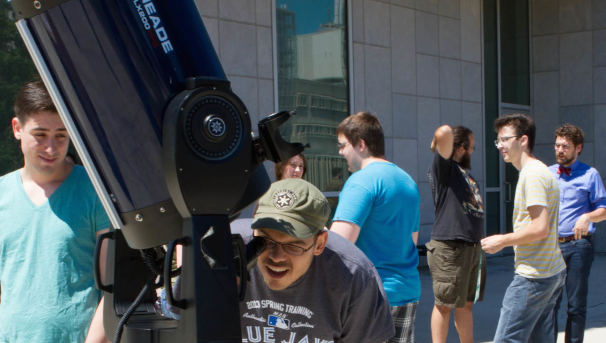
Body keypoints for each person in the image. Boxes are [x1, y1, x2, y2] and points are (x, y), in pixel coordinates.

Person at [161, 179, 395, 342]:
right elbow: (176, 326)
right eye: (266, 241)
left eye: (293, 245)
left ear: (320, 244)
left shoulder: (355, 275)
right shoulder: (219, 250)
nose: (276, 257)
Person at [0, 81, 110, 342]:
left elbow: (115, 291)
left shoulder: (97, 192)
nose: (52, 148)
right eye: (40, 135)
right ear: (17, 128)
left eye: (61, 135)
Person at [330, 111, 421, 343]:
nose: (340, 152)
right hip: (407, 291)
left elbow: (337, 247)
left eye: (342, 146)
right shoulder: (407, 181)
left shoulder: (361, 181)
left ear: (360, 144)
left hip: (370, 297)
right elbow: (412, 241)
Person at [482, 113, 566, 343]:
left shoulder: (533, 176)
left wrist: (502, 241)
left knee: (506, 339)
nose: (500, 145)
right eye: (498, 140)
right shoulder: (539, 171)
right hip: (550, 271)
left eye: (505, 139)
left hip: (534, 276)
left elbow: (540, 228)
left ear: (523, 140)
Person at [426, 125, 486, 343]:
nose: (472, 151)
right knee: (444, 305)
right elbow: (443, 132)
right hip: (451, 249)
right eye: (471, 147)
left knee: (466, 304)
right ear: (460, 148)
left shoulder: (465, 175)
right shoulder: (446, 169)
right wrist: (436, 142)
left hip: (472, 249)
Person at [549, 124, 606, 343]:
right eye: (557, 145)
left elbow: (603, 209)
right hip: (550, 246)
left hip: (578, 247)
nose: (560, 150)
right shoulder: (547, 173)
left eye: (565, 146)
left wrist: (588, 217)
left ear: (578, 148)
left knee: (575, 306)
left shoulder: (590, 175)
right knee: (548, 304)